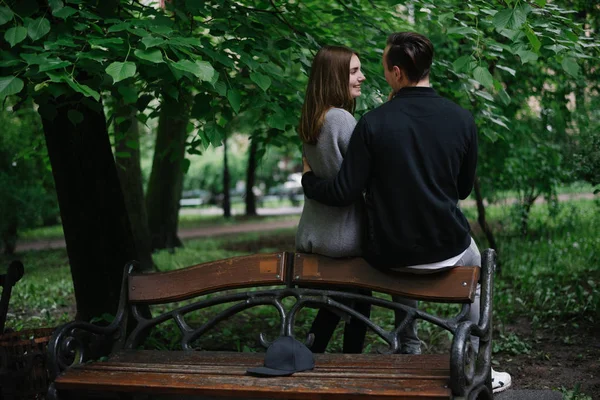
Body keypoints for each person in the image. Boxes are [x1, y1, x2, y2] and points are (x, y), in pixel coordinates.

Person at [300, 32, 512, 393]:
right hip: (446, 248)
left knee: (400, 248)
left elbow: (347, 190)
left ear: (397, 73)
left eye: (383, 68)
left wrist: (306, 179)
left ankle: (408, 347)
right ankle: (480, 361)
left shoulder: (372, 123)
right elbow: (462, 190)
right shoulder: (461, 119)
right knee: (475, 264)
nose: (377, 75)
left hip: (389, 255)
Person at [295, 45, 370, 353]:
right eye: (354, 71)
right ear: (335, 77)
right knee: (360, 299)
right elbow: (364, 179)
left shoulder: (313, 120)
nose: (362, 77)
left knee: (340, 299)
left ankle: (312, 349)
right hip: (346, 236)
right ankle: (350, 363)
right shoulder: (341, 120)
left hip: (318, 232)